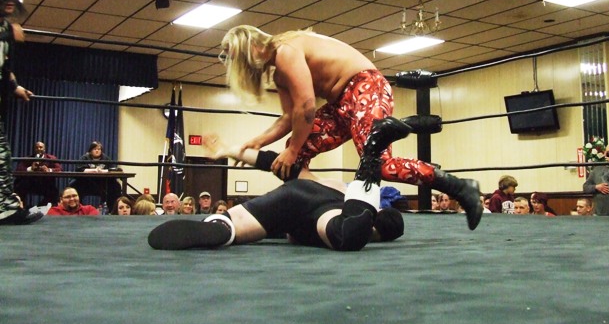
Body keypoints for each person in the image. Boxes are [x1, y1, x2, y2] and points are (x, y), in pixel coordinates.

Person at [219, 27, 472, 216]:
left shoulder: (286, 50)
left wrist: (292, 149)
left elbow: (306, 107)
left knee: (380, 165)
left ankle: (461, 188)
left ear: (248, 48)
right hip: (340, 102)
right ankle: (308, 210)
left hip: (366, 87)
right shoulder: (280, 73)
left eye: (236, 58)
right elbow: (289, 117)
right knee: (295, 154)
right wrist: (257, 143)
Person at [148, 116, 483, 251]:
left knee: (232, 225)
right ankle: (371, 156)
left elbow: (280, 166)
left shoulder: (335, 188)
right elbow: (374, 227)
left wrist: (231, 150)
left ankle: (218, 226)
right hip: (321, 209)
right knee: (349, 234)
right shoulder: (360, 210)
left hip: (297, 198)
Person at [0, 0, 42, 225]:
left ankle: (5, 207)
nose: (10, 1)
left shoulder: (5, 28)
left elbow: (4, 68)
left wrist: (15, 87)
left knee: (2, 156)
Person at [71, 141, 122, 212]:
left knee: (116, 186)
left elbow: (112, 169)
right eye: (95, 149)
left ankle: (112, 211)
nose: (97, 151)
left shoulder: (106, 158)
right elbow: (79, 169)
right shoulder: (85, 158)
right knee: (73, 185)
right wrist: (94, 170)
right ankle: (76, 210)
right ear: (91, 150)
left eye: (99, 149)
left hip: (102, 184)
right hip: (86, 183)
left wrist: (103, 171)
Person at [14, 141, 62, 206]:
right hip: (30, 183)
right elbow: (18, 169)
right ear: (34, 149)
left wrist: (49, 170)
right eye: (36, 147)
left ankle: (41, 207)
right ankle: (21, 208)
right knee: (19, 187)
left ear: (44, 149)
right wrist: (30, 168)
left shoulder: (51, 158)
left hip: (46, 184)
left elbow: (59, 169)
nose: (38, 149)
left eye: (41, 147)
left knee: (54, 192)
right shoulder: (29, 158)